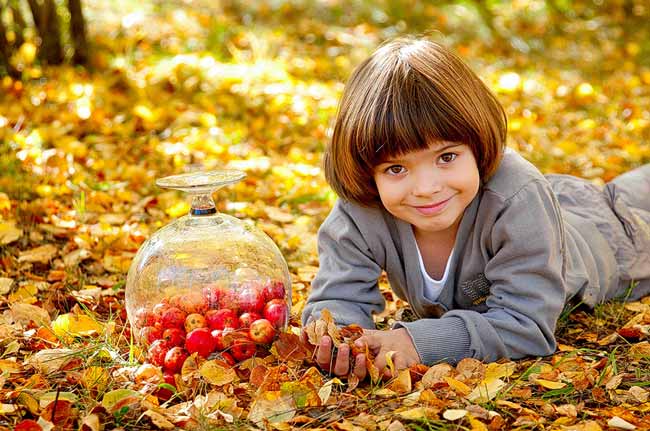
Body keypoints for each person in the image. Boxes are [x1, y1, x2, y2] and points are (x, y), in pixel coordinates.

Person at [301, 37, 650, 380]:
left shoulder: (519, 198)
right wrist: (345, 343)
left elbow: (525, 323)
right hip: (552, 201)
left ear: (478, 145)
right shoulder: (362, 210)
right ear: (368, 171)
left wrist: (416, 341)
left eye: (447, 157)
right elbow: (335, 299)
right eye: (396, 168)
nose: (426, 188)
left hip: (611, 235)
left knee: (629, 198)